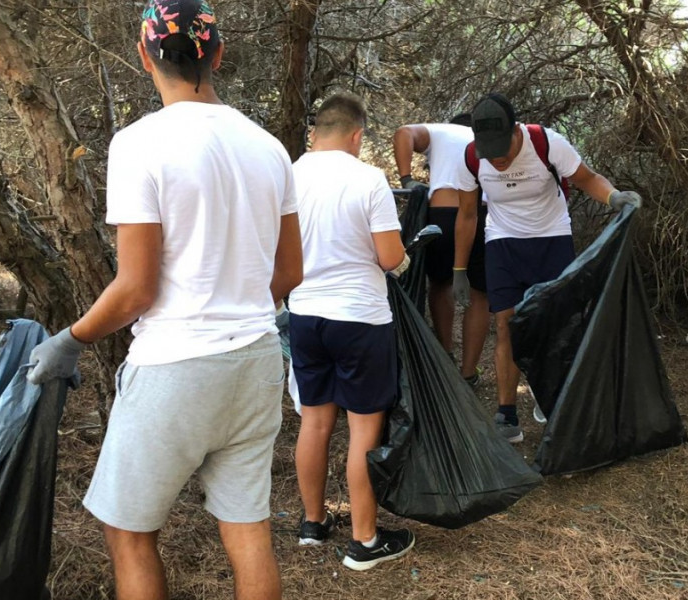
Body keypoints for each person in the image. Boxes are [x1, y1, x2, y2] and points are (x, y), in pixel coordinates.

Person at [25, 2, 302, 599]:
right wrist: (237, 303)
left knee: (128, 532)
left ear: (144, 55)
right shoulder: (269, 148)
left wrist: (69, 341)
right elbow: (290, 271)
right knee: (247, 528)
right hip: (255, 360)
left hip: (176, 365)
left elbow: (136, 288)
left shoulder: (139, 144)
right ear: (218, 55)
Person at [453, 92, 641, 443]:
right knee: (506, 325)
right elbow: (466, 214)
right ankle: (507, 414)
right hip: (503, 243)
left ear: (515, 131)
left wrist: (614, 197)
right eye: (488, 151)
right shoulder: (469, 158)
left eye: (502, 149)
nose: (497, 159)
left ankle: (549, 395)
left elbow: (586, 178)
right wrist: (459, 269)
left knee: (552, 326)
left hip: (551, 239)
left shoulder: (546, 143)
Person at [290, 93, 416, 571]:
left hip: (305, 315)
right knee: (364, 428)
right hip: (360, 318)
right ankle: (364, 541)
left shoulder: (290, 174)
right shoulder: (367, 179)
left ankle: (312, 524)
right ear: (358, 135)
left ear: (316, 132)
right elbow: (389, 258)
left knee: (315, 420)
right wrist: (406, 258)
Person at [393, 116, 490, 387]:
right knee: (479, 294)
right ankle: (469, 373)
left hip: (443, 213)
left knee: (440, 283)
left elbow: (403, 132)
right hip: (483, 213)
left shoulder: (442, 131)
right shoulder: (489, 136)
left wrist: (408, 180)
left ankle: (445, 357)